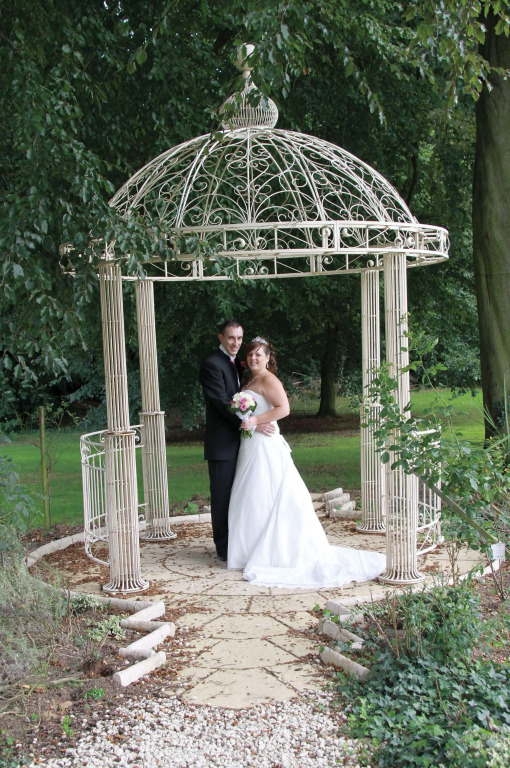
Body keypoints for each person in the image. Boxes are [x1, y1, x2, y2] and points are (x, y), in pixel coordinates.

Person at [227, 336, 386, 588]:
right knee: (251, 495)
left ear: (268, 357)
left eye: (259, 354)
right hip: (251, 443)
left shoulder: (269, 379)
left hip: (266, 445)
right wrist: (251, 422)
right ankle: (249, 550)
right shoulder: (249, 380)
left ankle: (273, 552)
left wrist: (256, 421)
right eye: (250, 354)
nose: (253, 358)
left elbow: (284, 408)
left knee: (263, 492)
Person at [199, 321, 274, 561]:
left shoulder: (237, 364)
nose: (235, 343)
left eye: (239, 338)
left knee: (241, 496)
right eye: (231, 337)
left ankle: (240, 545)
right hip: (221, 444)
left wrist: (251, 423)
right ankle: (224, 550)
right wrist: (252, 422)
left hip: (242, 442)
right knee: (221, 497)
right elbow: (221, 403)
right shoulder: (212, 363)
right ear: (221, 337)